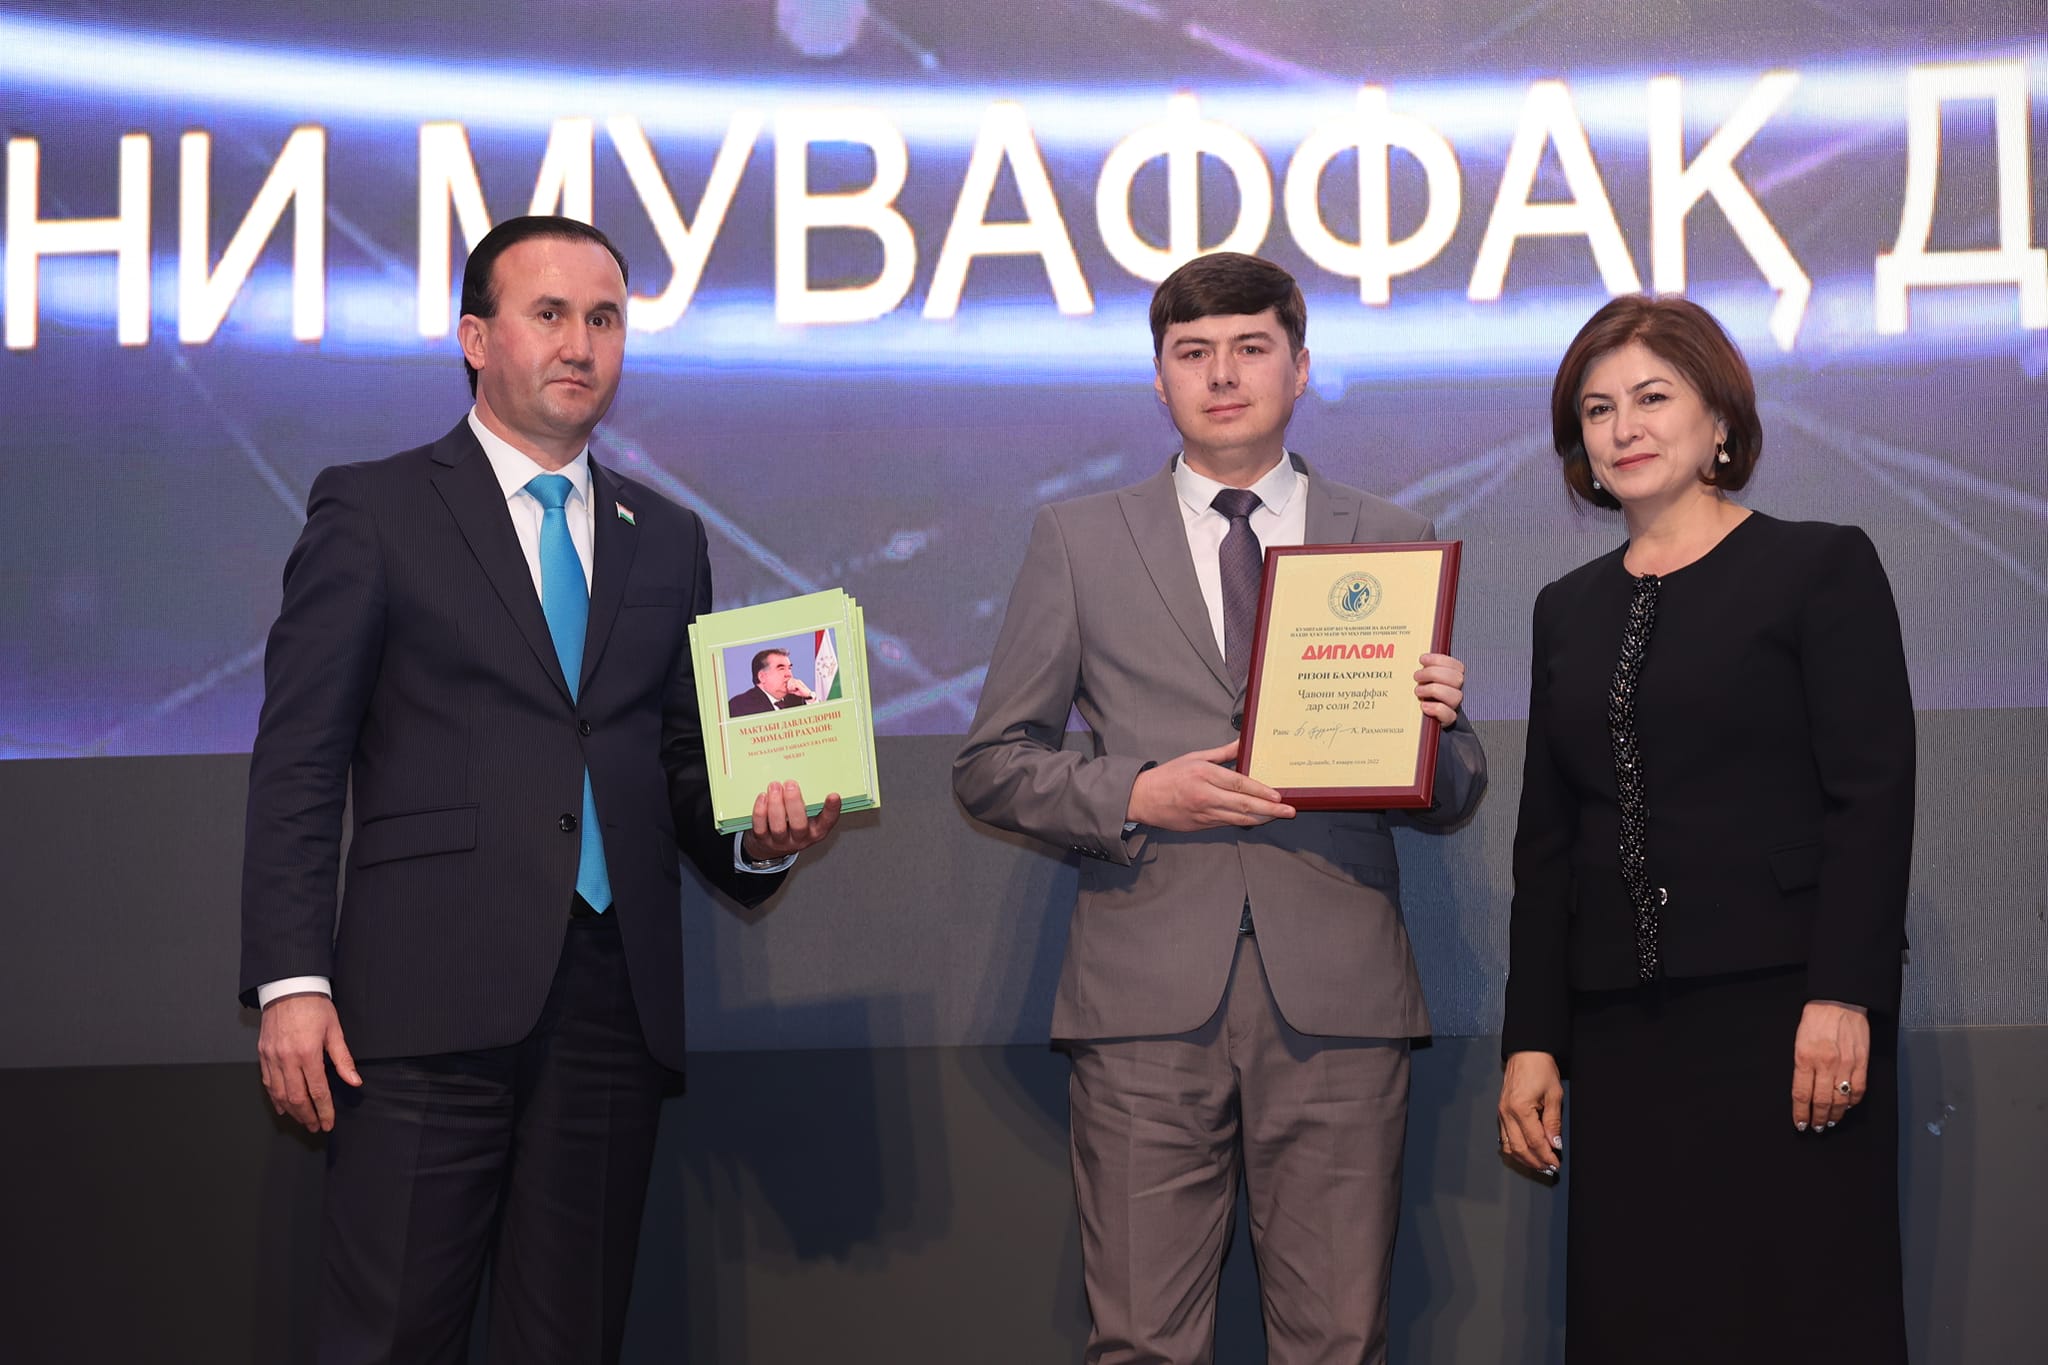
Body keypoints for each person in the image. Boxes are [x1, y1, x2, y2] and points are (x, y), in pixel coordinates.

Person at [240, 215, 840, 1365]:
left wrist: (760, 836)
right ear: (476, 338)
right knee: (388, 1338)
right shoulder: (372, 509)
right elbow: (300, 758)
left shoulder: (667, 536)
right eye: (550, 314)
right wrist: (291, 982)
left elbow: (676, 760)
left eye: (604, 319)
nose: (580, 343)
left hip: (610, 1011)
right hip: (418, 1008)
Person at [954, 252, 1487, 1364]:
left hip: (1338, 996)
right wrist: (1136, 790)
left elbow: (1456, 788)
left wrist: (1432, 728)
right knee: (1142, 1341)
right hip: (1143, 999)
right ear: (1159, 380)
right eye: (1192, 353)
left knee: (1338, 1340)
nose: (1223, 374)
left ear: (1301, 366)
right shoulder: (1078, 538)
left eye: (1250, 347)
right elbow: (992, 764)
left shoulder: (1386, 533)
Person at [1496, 294, 1913, 1363]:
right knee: (1641, 1317)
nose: (1622, 428)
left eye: (1651, 398)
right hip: (1623, 1035)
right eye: (1597, 410)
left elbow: (1871, 797)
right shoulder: (1564, 607)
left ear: (1718, 418)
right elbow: (1546, 843)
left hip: (1786, 1020)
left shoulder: (1817, 566)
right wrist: (1533, 1037)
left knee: (1804, 1314)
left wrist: (1843, 993)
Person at [727, 646, 814, 716]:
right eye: (781, 669)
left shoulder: (798, 698)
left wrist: (809, 697)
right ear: (762, 677)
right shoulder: (739, 706)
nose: (789, 674)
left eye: (789, 668)